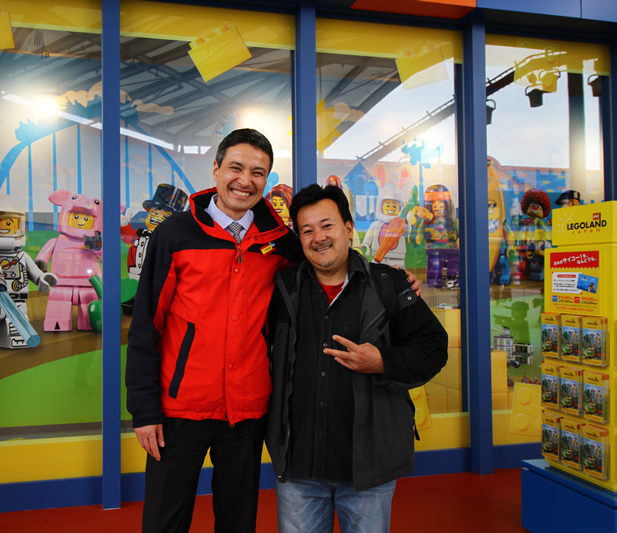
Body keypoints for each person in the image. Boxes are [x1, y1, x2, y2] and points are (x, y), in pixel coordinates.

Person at [125, 128, 301, 533]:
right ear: (216, 169)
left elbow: (329, 265)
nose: (245, 180)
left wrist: (390, 281)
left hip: (247, 410)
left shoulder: (278, 242)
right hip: (179, 409)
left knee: (238, 523)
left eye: (258, 172)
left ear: (266, 180)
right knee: (164, 523)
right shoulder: (175, 234)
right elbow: (146, 327)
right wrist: (145, 411)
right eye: (236, 168)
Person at [266, 184, 448, 533]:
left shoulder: (389, 285)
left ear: (349, 229)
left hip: (368, 469)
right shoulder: (282, 288)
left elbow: (433, 347)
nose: (319, 238)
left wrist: (383, 362)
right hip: (298, 466)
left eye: (327, 225)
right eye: (307, 230)